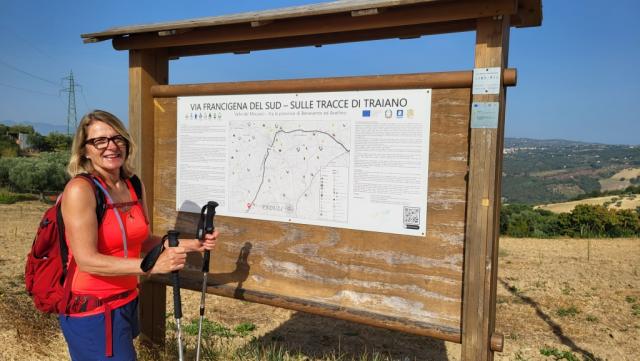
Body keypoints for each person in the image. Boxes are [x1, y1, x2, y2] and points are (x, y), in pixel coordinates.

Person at [59, 109, 218, 360]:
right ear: (84, 150)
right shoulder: (80, 190)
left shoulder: (132, 184)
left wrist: (192, 244)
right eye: (99, 140)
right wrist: (151, 266)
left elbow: (141, 239)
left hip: (127, 300)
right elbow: (87, 260)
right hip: (94, 309)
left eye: (117, 138)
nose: (111, 146)